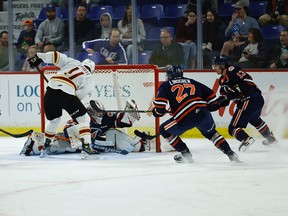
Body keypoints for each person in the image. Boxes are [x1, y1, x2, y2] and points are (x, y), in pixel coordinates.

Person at [152, 65, 240, 163]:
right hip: (204, 113)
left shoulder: (166, 84)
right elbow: (212, 99)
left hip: (186, 116)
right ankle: (230, 153)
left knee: (164, 130)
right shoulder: (193, 81)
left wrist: (157, 112)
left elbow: (159, 106)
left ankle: (186, 155)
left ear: (168, 75)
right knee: (212, 133)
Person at [27, 51, 98, 159]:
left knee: (53, 121)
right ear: (92, 70)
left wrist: (39, 57)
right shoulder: (89, 78)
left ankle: (46, 148)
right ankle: (87, 149)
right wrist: (66, 101)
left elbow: (56, 56)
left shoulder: (73, 62)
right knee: (84, 119)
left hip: (50, 92)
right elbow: (78, 96)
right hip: (66, 93)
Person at [20, 99, 150, 156]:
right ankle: (32, 144)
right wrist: (83, 141)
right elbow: (67, 129)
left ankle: (141, 143)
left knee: (115, 135)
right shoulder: (81, 118)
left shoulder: (107, 117)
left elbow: (122, 121)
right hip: (74, 145)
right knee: (55, 145)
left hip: (96, 144)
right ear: (91, 112)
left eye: (101, 111)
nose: (101, 114)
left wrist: (130, 113)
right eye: (98, 112)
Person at [210, 55, 278, 152]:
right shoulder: (224, 79)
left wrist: (225, 96)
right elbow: (226, 98)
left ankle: (246, 139)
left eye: (216, 65)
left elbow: (233, 90)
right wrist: (217, 103)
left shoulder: (231, 70)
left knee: (233, 128)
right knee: (256, 120)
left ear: (222, 65)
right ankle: (271, 139)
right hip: (257, 99)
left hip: (248, 100)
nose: (214, 68)